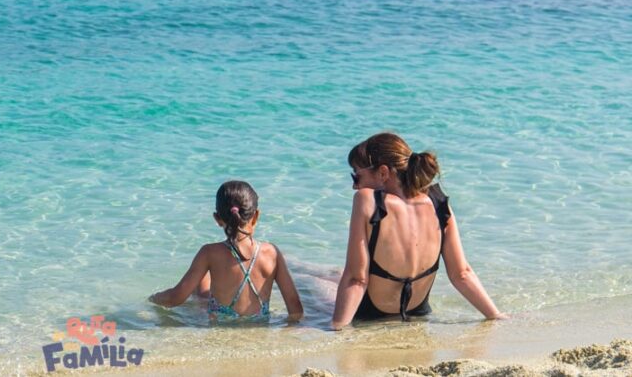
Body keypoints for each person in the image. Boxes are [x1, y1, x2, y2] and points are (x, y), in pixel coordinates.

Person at [331, 133, 505, 328]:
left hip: (372, 317)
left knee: (316, 282)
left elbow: (357, 279)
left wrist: (337, 328)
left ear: (382, 173)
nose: (355, 185)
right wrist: (495, 315)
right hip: (418, 314)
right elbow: (461, 274)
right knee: (329, 275)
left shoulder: (366, 199)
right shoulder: (439, 202)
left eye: (356, 175)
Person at [150, 180, 304, 323]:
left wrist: (153, 299)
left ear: (217, 219)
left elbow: (175, 298)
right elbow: (296, 310)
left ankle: (205, 286)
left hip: (219, 332)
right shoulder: (271, 253)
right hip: (257, 332)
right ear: (256, 216)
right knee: (204, 288)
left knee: (202, 287)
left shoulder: (209, 253)